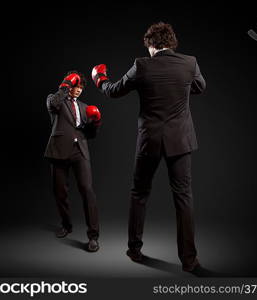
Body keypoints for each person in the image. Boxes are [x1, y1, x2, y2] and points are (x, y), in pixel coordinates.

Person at [91, 22, 206, 271]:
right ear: (172, 43)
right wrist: (180, 88)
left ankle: (134, 249)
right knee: (183, 197)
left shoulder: (142, 65)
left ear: (151, 44)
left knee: (139, 193)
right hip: (180, 140)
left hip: (149, 141)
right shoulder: (190, 63)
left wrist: (99, 78)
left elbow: (113, 91)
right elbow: (200, 87)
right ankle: (189, 260)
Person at [44, 71, 101, 252]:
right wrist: (66, 84)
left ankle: (93, 236)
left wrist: (95, 122)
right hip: (59, 150)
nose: (78, 90)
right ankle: (66, 225)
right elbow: (52, 104)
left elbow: (91, 135)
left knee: (87, 191)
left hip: (80, 151)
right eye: (76, 86)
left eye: (81, 88)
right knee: (60, 192)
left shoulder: (85, 107)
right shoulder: (56, 100)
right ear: (70, 85)